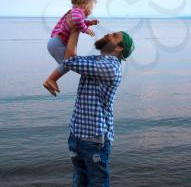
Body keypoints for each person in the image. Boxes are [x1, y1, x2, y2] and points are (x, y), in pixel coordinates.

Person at [43, 26, 135, 187]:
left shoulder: (110, 67)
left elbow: (70, 61)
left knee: (97, 182)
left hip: (95, 139)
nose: (108, 34)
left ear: (119, 48)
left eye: (114, 35)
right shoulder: (98, 60)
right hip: (77, 134)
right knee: (79, 180)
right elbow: (71, 61)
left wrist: (75, 29)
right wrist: (53, 77)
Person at [47, 0, 99, 66]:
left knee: (66, 65)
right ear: (85, 6)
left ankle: (51, 78)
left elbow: (80, 22)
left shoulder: (75, 11)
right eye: (92, 9)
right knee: (69, 63)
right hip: (58, 42)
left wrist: (89, 23)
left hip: (55, 42)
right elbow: (77, 20)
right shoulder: (77, 11)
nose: (91, 12)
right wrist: (85, 29)